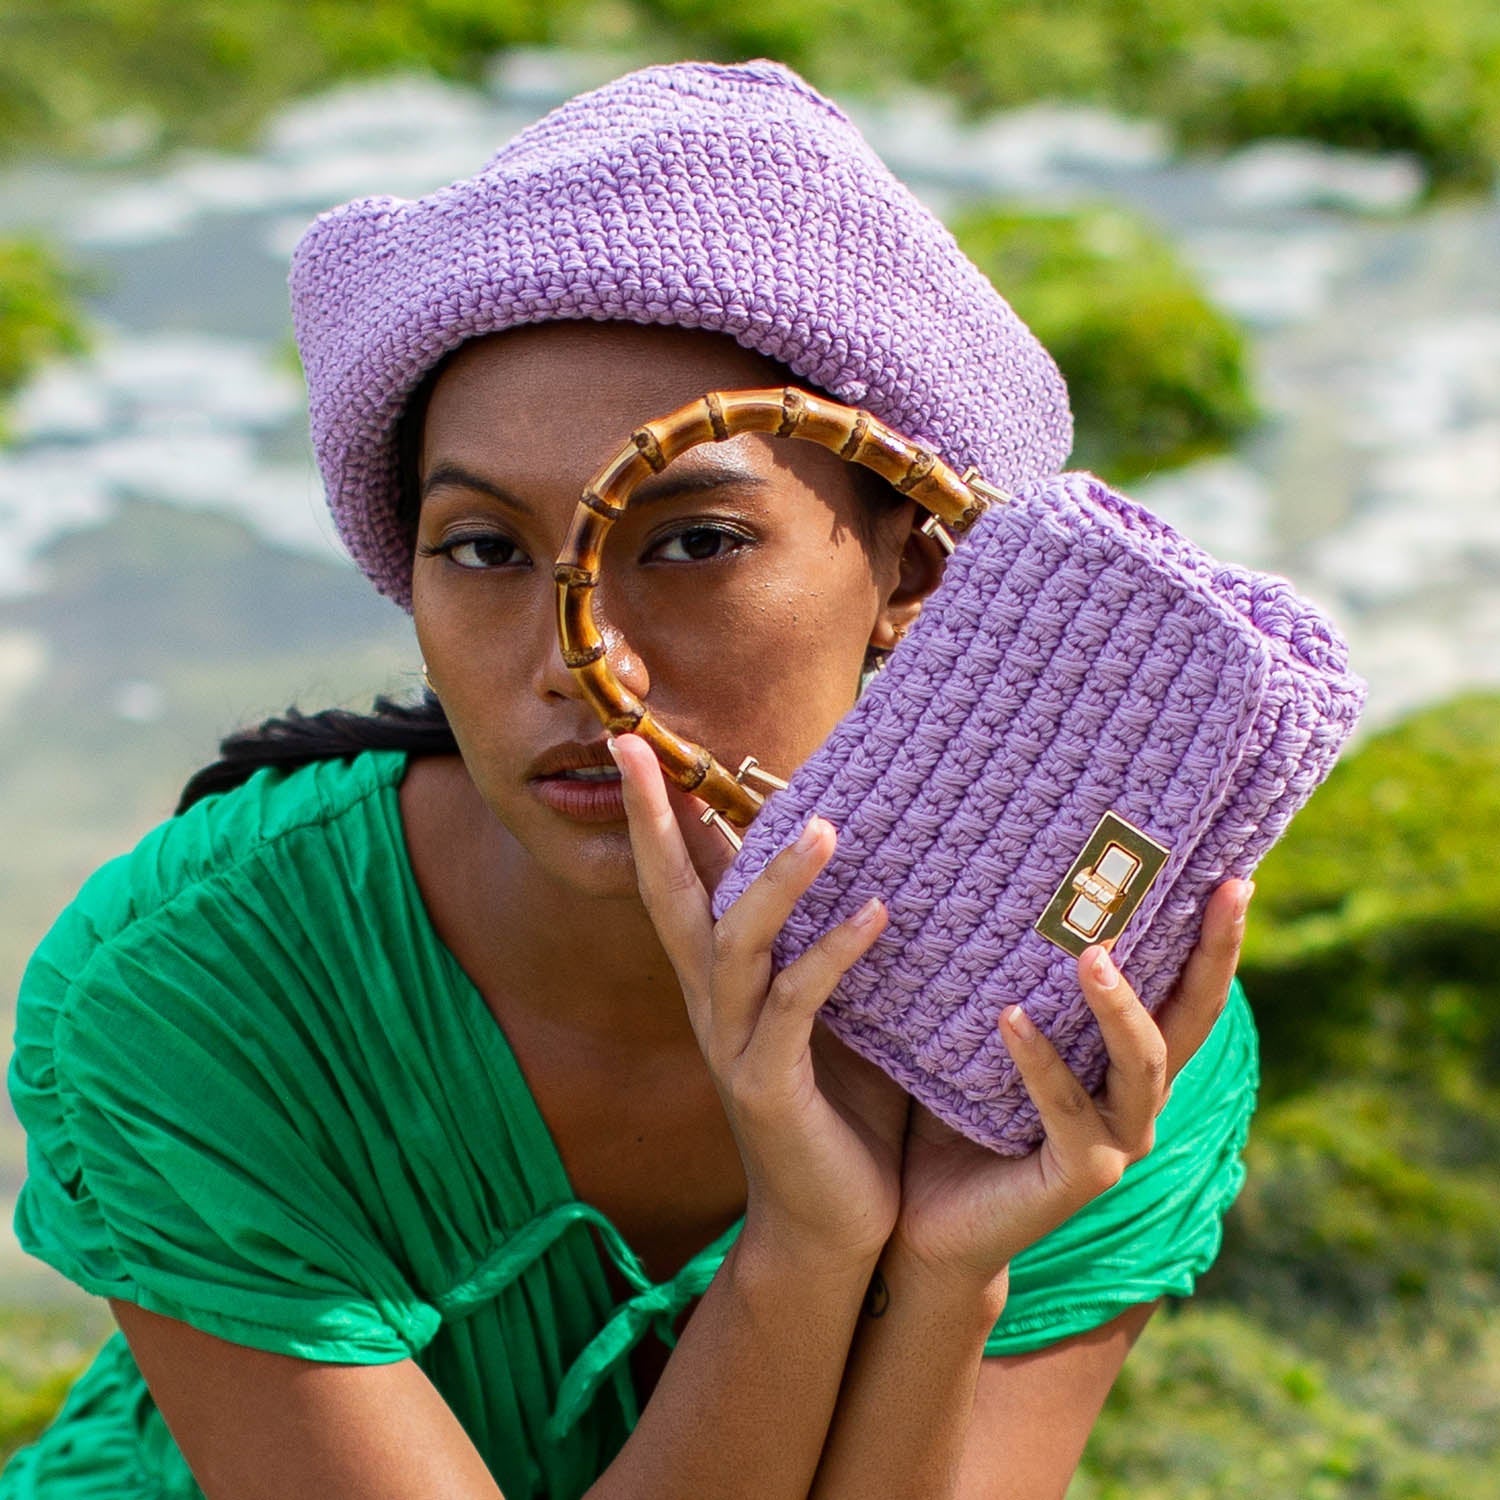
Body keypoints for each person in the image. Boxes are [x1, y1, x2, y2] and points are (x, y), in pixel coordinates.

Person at [3, 60, 1259, 1500]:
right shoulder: (202, 983)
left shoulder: (1092, 1039)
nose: (579, 664)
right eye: (484, 549)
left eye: (696, 542)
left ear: (915, 570)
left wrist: (944, 1275)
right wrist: (806, 1250)